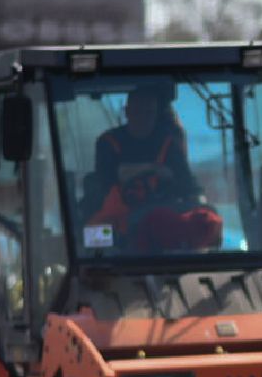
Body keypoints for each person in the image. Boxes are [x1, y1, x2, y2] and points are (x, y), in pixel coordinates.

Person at [82, 83, 221, 254]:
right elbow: (106, 180)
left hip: (159, 219)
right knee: (92, 239)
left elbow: (188, 185)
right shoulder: (108, 142)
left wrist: (195, 199)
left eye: (149, 113)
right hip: (118, 222)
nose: (143, 118)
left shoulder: (168, 143)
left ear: (156, 115)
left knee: (207, 223)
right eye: (137, 112)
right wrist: (151, 170)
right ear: (126, 112)